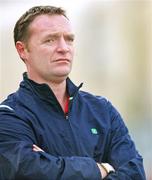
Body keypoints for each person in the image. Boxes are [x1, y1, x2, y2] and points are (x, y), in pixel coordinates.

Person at [0, 5, 146, 180]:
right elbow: (28, 171)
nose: (64, 48)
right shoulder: (10, 116)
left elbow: (134, 174)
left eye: (69, 39)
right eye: (50, 40)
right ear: (22, 50)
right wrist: (99, 169)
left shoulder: (102, 111)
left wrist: (52, 164)